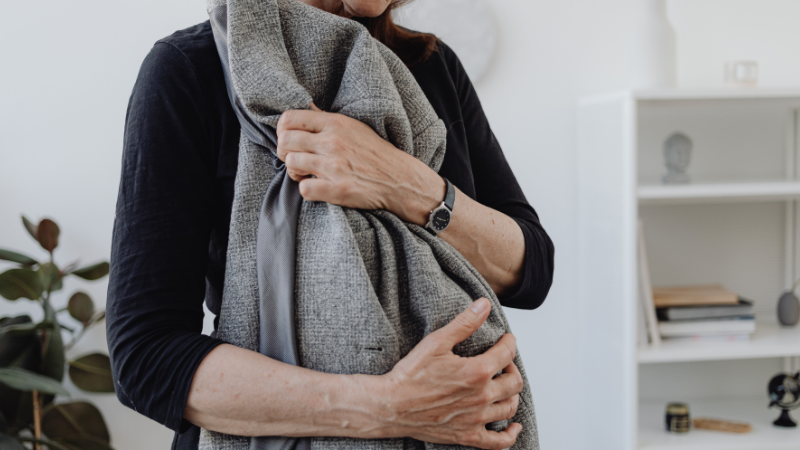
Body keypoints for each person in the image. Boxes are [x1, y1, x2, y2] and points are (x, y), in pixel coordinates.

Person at [106, 0, 555, 449]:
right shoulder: (189, 68)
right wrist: (389, 406)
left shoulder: (430, 66)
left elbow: (531, 269)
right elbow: (147, 359)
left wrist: (406, 185)